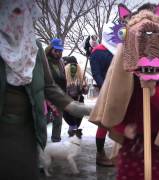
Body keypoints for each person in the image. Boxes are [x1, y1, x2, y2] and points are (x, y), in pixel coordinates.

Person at [89, 3, 159, 179]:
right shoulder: (122, 63)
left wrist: (152, 90)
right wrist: (122, 127)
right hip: (134, 146)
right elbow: (114, 104)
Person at [0, 1, 91, 179]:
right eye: (13, 11)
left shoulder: (33, 47)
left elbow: (49, 85)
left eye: (23, 12)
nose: (19, 18)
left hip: (30, 129)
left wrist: (73, 106)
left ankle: (53, 145)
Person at [88, 34, 115, 166]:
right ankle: (100, 154)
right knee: (104, 122)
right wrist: (105, 88)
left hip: (119, 90)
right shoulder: (99, 51)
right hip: (108, 91)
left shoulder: (119, 48)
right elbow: (97, 73)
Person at [45, 38, 66, 142]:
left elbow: (63, 78)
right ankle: (40, 143)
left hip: (58, 96)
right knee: (44, 120)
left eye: (60, 51)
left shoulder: (61, 62)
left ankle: (56, 140)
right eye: (56, 50)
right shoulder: (44, 61)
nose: (58, 53)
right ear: (50, 49)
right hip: (46, 96)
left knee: (58, 121)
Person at [63, 56, 88, 135]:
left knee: (78, 116)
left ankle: (75, 128)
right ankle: (73, 127)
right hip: (68, 100)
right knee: (69, 115)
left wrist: (83, 88)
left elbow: (85, 89)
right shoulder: (64, 73)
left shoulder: (81, 74)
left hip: (78, 99)